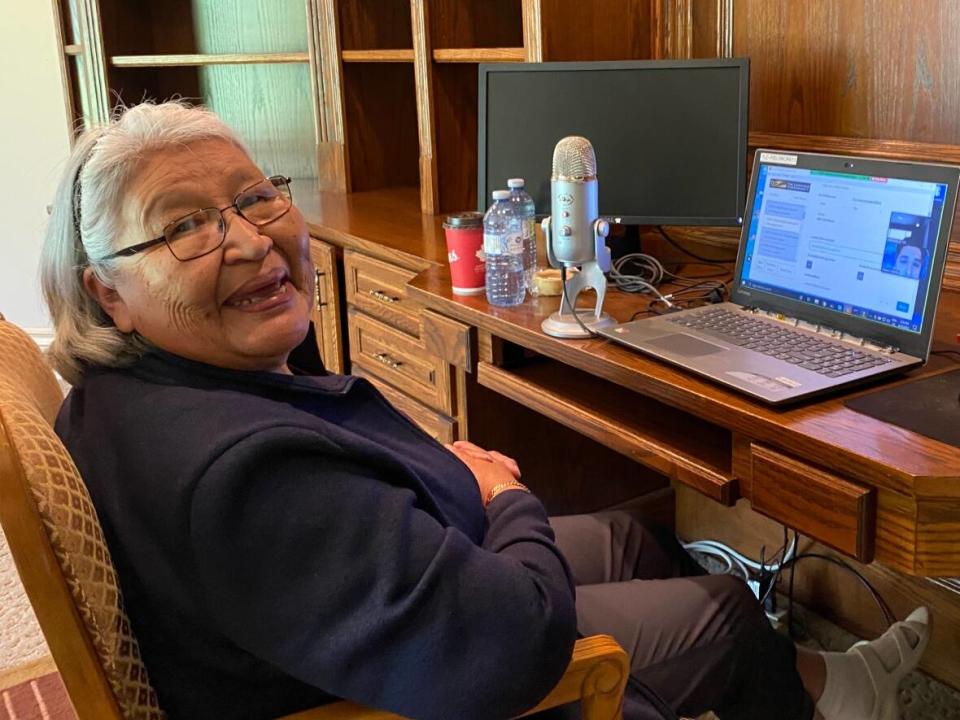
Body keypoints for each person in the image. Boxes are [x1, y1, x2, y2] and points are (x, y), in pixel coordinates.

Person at [40, 102, 930, 720]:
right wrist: (502, 502)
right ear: (108, 292)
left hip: (370, 597)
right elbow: (508, 653)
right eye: (184, 227)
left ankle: (808, 675)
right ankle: (834, 694)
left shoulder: (135, 391)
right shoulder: (246, 477)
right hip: (431, 669)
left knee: (629, 538)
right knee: (725, 611)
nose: (247, 239)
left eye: (254, 198)